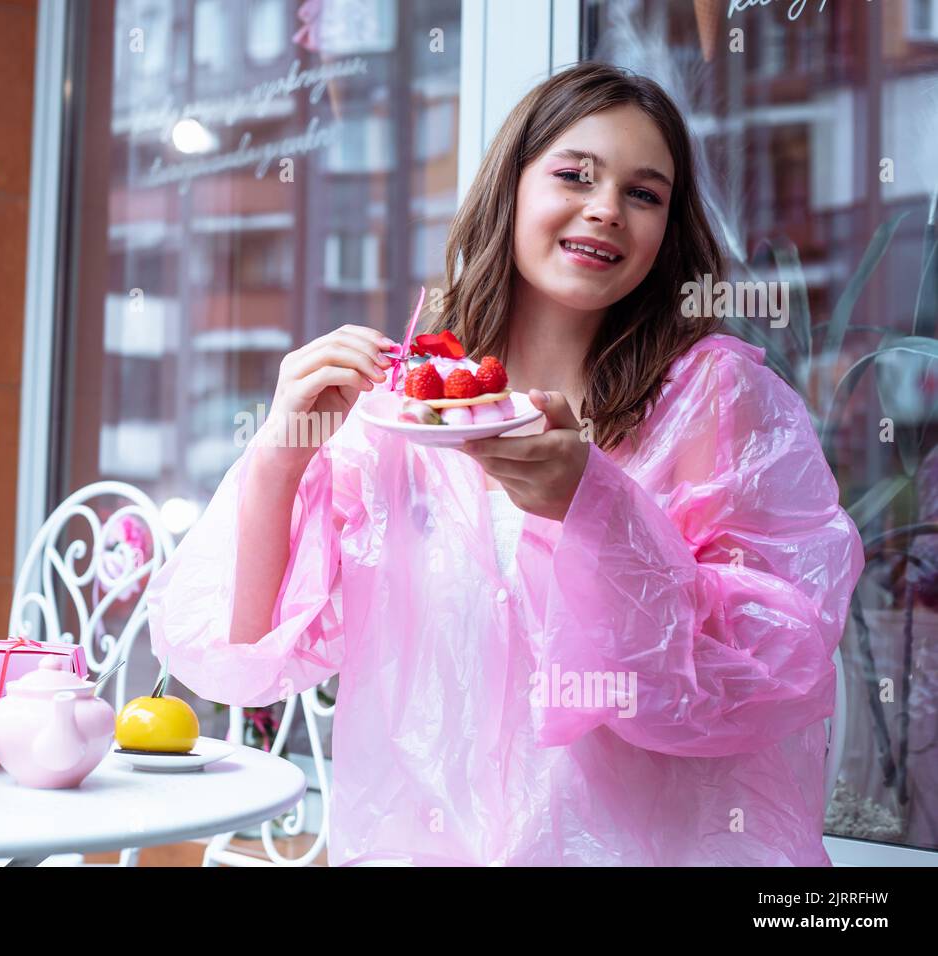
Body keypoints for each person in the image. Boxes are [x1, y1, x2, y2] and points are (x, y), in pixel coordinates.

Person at [145, 62, 865, 866]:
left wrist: (593, 506)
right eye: (575, 174)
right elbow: (243, 654)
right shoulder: (404, 412)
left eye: (644, 193)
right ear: (510, 188)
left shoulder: (713, 399)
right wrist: (281, 455)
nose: (605, 209)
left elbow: (765, 673)